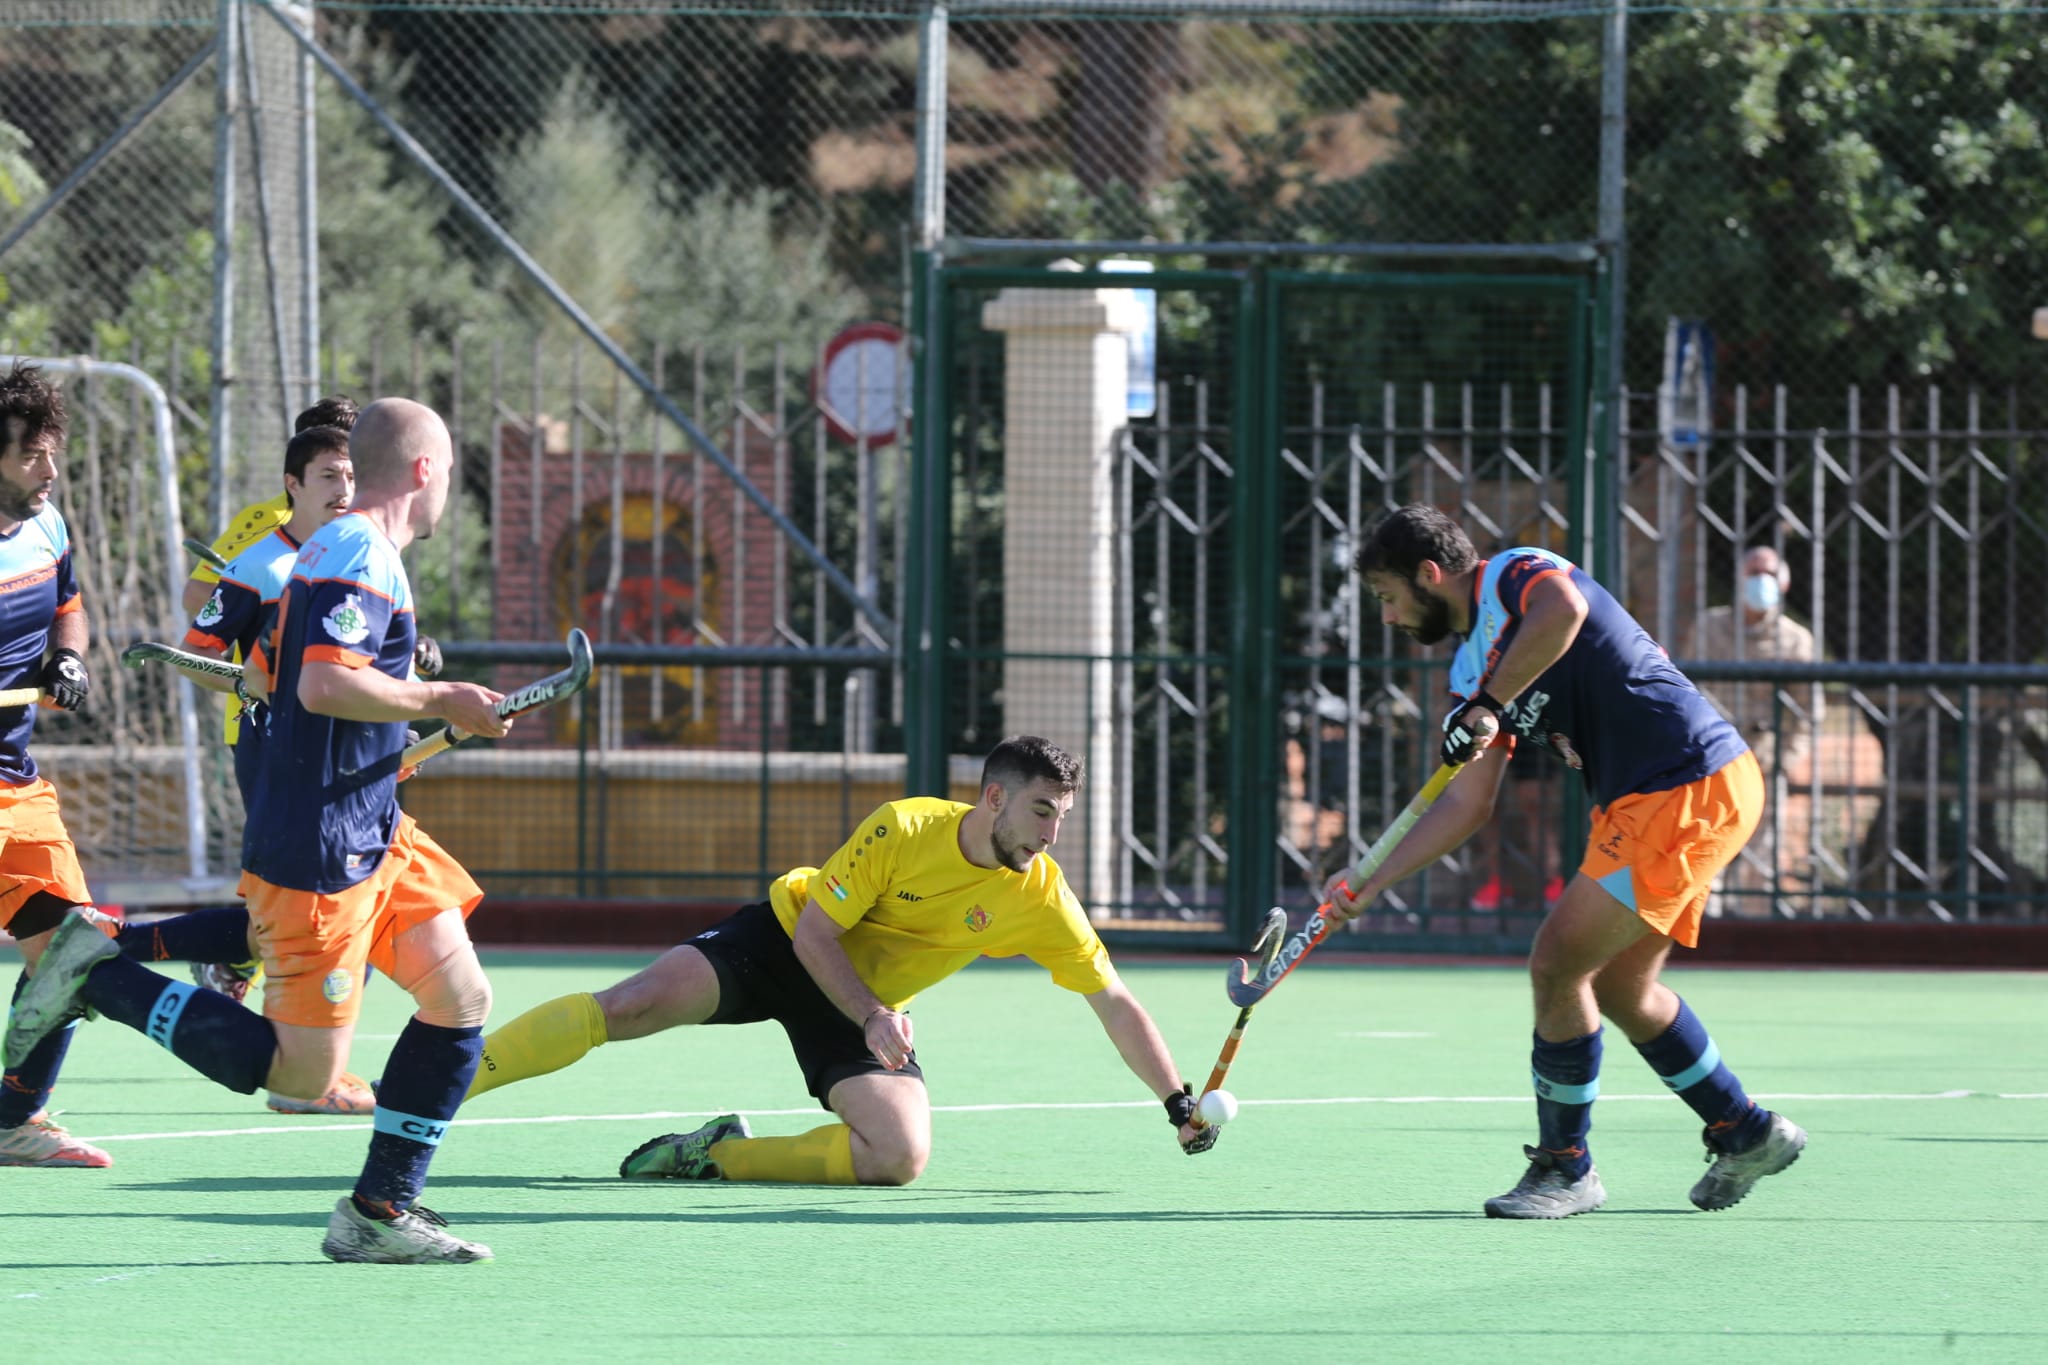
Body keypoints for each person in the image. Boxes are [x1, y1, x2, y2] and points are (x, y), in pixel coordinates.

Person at [4, 398, 514, 1263]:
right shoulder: (358, 551)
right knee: (302, 1073)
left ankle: (379, 1211)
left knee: (459, 996)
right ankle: (100, 975)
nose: (448, 490)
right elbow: (322, 683)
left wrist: (390, 737)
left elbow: (282, 677)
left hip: (373, 824)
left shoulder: (340, 546)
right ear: (424, 470)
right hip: (323, 843)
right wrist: (442, 698)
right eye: (451, 472)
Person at [1324, 504, 1806, 1219]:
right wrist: (1371, 879)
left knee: (1556, 964)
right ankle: (1747, 1131)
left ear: (1428, 575)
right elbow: (1467, 804)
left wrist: (1492, 702)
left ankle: (1564, 1167)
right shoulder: (1469, 670)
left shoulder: (1516, 575)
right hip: (1650, 799)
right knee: (1621, 989)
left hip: (1684, 781)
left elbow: (1565, 609)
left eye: (1388, 596)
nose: (1389, 617)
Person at [461, 735, 1217, 1186]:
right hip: (784, 945)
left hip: (864, 1007)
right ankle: (445, 1081)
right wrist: (873, 1013)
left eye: (1062, 817)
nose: (1051, 836)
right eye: (1041, 812)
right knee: (627, 1006)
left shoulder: (1041, 895)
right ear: (994, 798)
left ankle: (718, 1156)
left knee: (899, 1156)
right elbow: (816, 935)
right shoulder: (904, 828)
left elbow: (1113, 999)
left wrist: (1176, 1102)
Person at [163, 423, 374, 1115]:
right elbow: (198, 652)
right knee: (312, 912)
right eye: (329, 476)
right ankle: (303, 1074)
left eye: (351, 476)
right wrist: (257, 684)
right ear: (293, 484)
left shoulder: (361, 556)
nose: (344, 489)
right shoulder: (259, 563)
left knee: (353, 907)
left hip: (351, 762)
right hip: (277, 756)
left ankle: (293, 1043)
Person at [0, 361, 113, 1169]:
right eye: (29, 455)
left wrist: (66, 658)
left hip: (16, 781)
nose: (49, 470)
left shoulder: (48, 527)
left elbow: (69, 608)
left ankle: (12, 1119)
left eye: (52, 452)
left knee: (70, 954)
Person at [1677, 544, 1822, 914]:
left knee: (1762, 854)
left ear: (1784, 583)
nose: (1761, 580)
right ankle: (1704, 925)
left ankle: (1754, 927)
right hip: (1710, 757)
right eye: (1753, 572)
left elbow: (1809, 710)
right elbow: (1685, 689)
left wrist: (1788, 758)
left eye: (1769, 573)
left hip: (1764, 757)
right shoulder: (1709, 627)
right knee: (1704, 844)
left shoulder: (1796, 639)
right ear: (1739, 579)